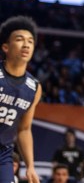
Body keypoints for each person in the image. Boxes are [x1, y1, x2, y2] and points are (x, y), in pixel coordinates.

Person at [0, 16, 42, 183]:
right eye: (19, 40)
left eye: (30, 41)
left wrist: (30, 165)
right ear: (5, 47)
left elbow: (24, 129)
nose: (26, 45)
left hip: (3, 152)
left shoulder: (34, 87)